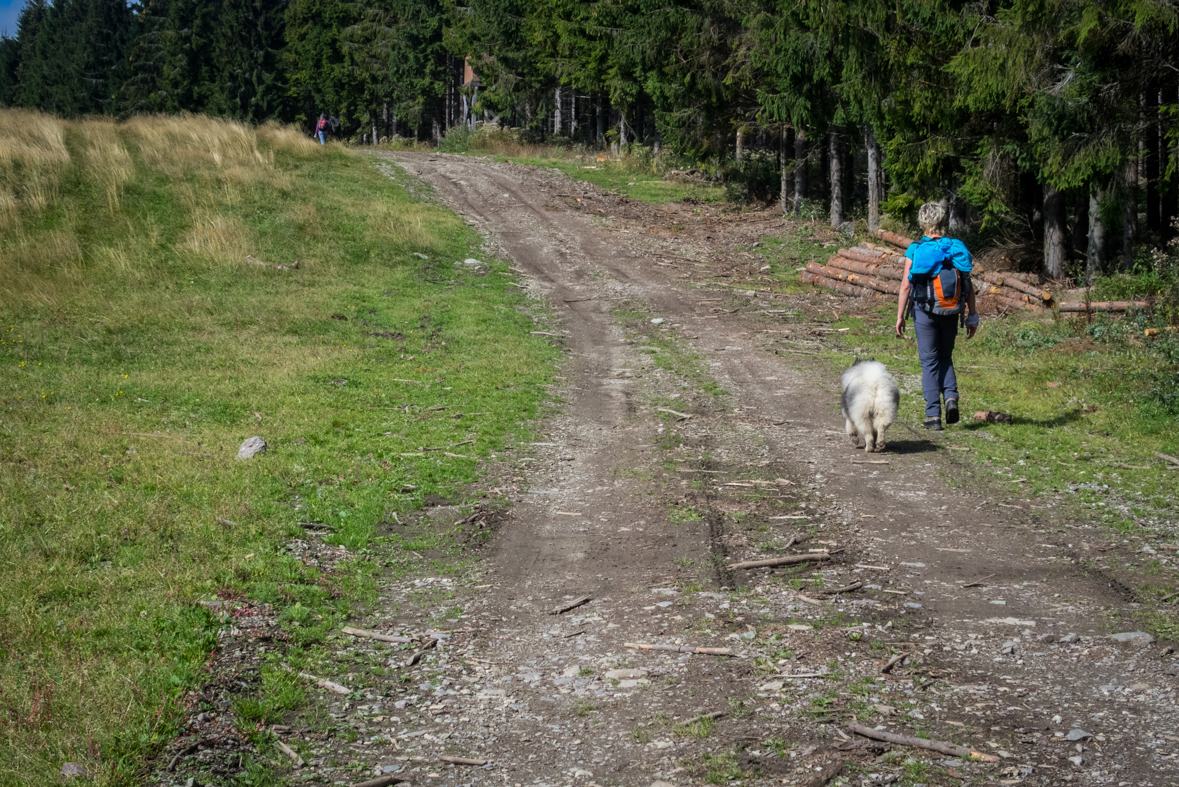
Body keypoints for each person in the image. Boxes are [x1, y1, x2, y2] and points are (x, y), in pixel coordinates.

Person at [895, 202, 979, 431]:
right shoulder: (956, 248)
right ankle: (951, 397)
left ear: (922, 223)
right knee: (945, 357)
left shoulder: (915, 249)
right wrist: (972, 315)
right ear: (941, 222)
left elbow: (905, 285)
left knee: (929, 362)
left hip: (925, 312)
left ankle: (933, 415)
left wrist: (900, 316)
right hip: (952, 312)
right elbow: (968, 284)